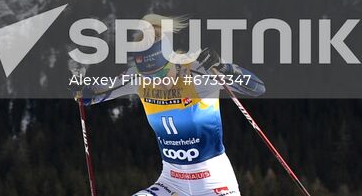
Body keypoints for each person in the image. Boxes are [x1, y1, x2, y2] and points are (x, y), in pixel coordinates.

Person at [77, 14, 265, 196]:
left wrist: (225, 68)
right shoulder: (136, 77)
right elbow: (91, 95)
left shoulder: (198, 73)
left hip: (214, 183)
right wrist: (79, 88)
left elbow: (257, 88)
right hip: (171, 183)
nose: (156, 82)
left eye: (160, 74)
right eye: (149, 77)